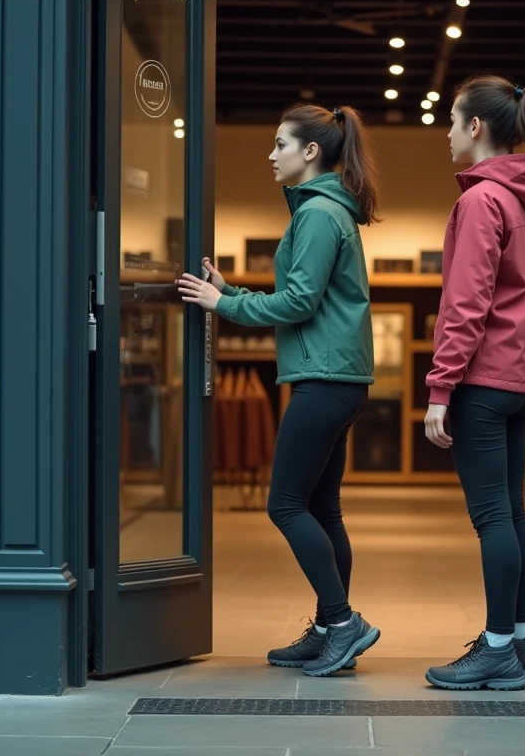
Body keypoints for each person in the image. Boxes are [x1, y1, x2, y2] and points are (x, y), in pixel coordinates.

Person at [178, 103, 381, 678]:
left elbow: (298, 302)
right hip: (339, 376)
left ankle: (342, 624)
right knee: (322, 507)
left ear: (310, 151)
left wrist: (224, 303)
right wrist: (231, 287)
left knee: (285, 505)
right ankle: (326, 629)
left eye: (280, 144)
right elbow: (303, 296)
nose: (271, 155)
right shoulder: (329, 210)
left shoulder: (317, 213)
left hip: (324, 379)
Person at [422, 75, 525, 691]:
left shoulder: (481, 200)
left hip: (483, 375)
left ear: (477, 128)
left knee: (492, 518)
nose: (447, 132)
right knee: (514, 513)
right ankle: (522, 642)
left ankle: (497, 647)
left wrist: (441, 387)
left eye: (453, 120)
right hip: (522, 377)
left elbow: (466, 301)